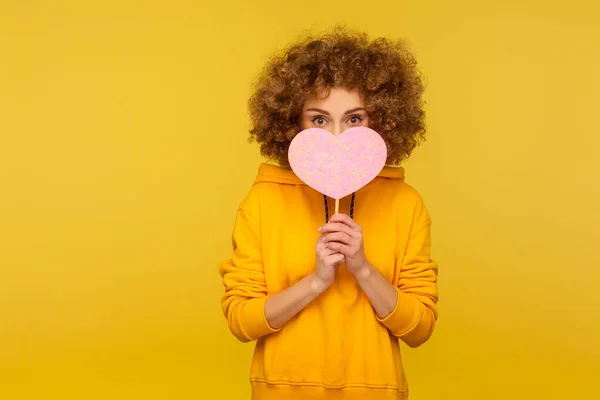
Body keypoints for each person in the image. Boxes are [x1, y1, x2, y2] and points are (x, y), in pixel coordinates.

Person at [218, 26, 439, 400]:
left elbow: (419, 330)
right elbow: (242, 322)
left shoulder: (406, 203)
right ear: (292, 123)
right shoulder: (262, 202)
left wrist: (364, 270)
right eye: (319, 119)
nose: (337, 135)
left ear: (383, 120)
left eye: (354, 119)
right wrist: (317, 282)